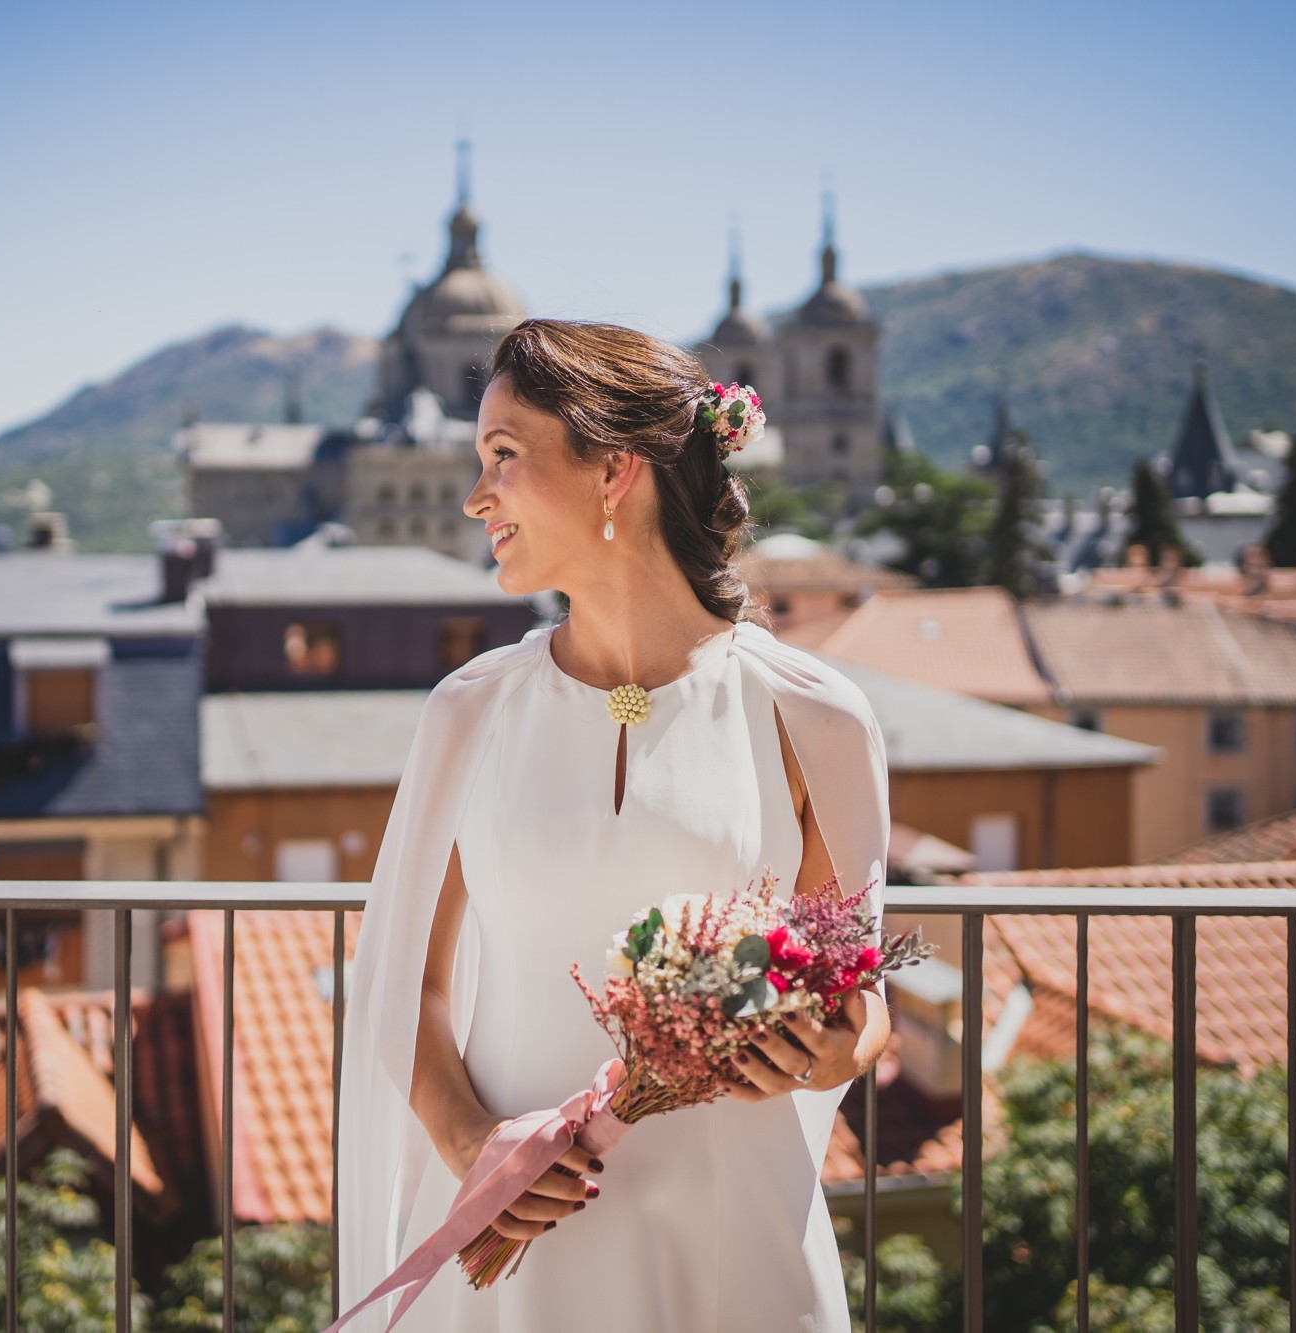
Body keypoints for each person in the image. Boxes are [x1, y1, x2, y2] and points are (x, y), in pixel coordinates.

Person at [334, 319, 892, 1332]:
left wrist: (819, 1055)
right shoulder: (469, 712)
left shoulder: (810, 715)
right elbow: (403, 985)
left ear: (612, 473)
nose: (475, 497)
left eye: (504, 457)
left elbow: (856, 996)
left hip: (729, 1245)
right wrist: (474, 1147)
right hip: (512, 1257)